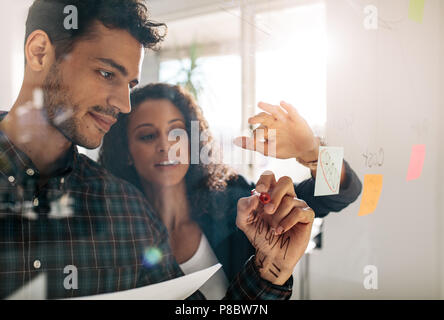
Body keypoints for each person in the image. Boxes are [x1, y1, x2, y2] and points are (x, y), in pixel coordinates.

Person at [0, 0, 303, 300]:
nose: (123, 104)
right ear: (39, 52)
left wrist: (271, 268)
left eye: (129, 85)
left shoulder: (130, 212)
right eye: (107, 73)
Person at [99, 83, 363, 299]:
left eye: (176, 132)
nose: (166, 146)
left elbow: (337, 194)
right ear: (127, 152)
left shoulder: (230, 199)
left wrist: (312, 152)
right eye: (147, 136)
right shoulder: (113, 233)